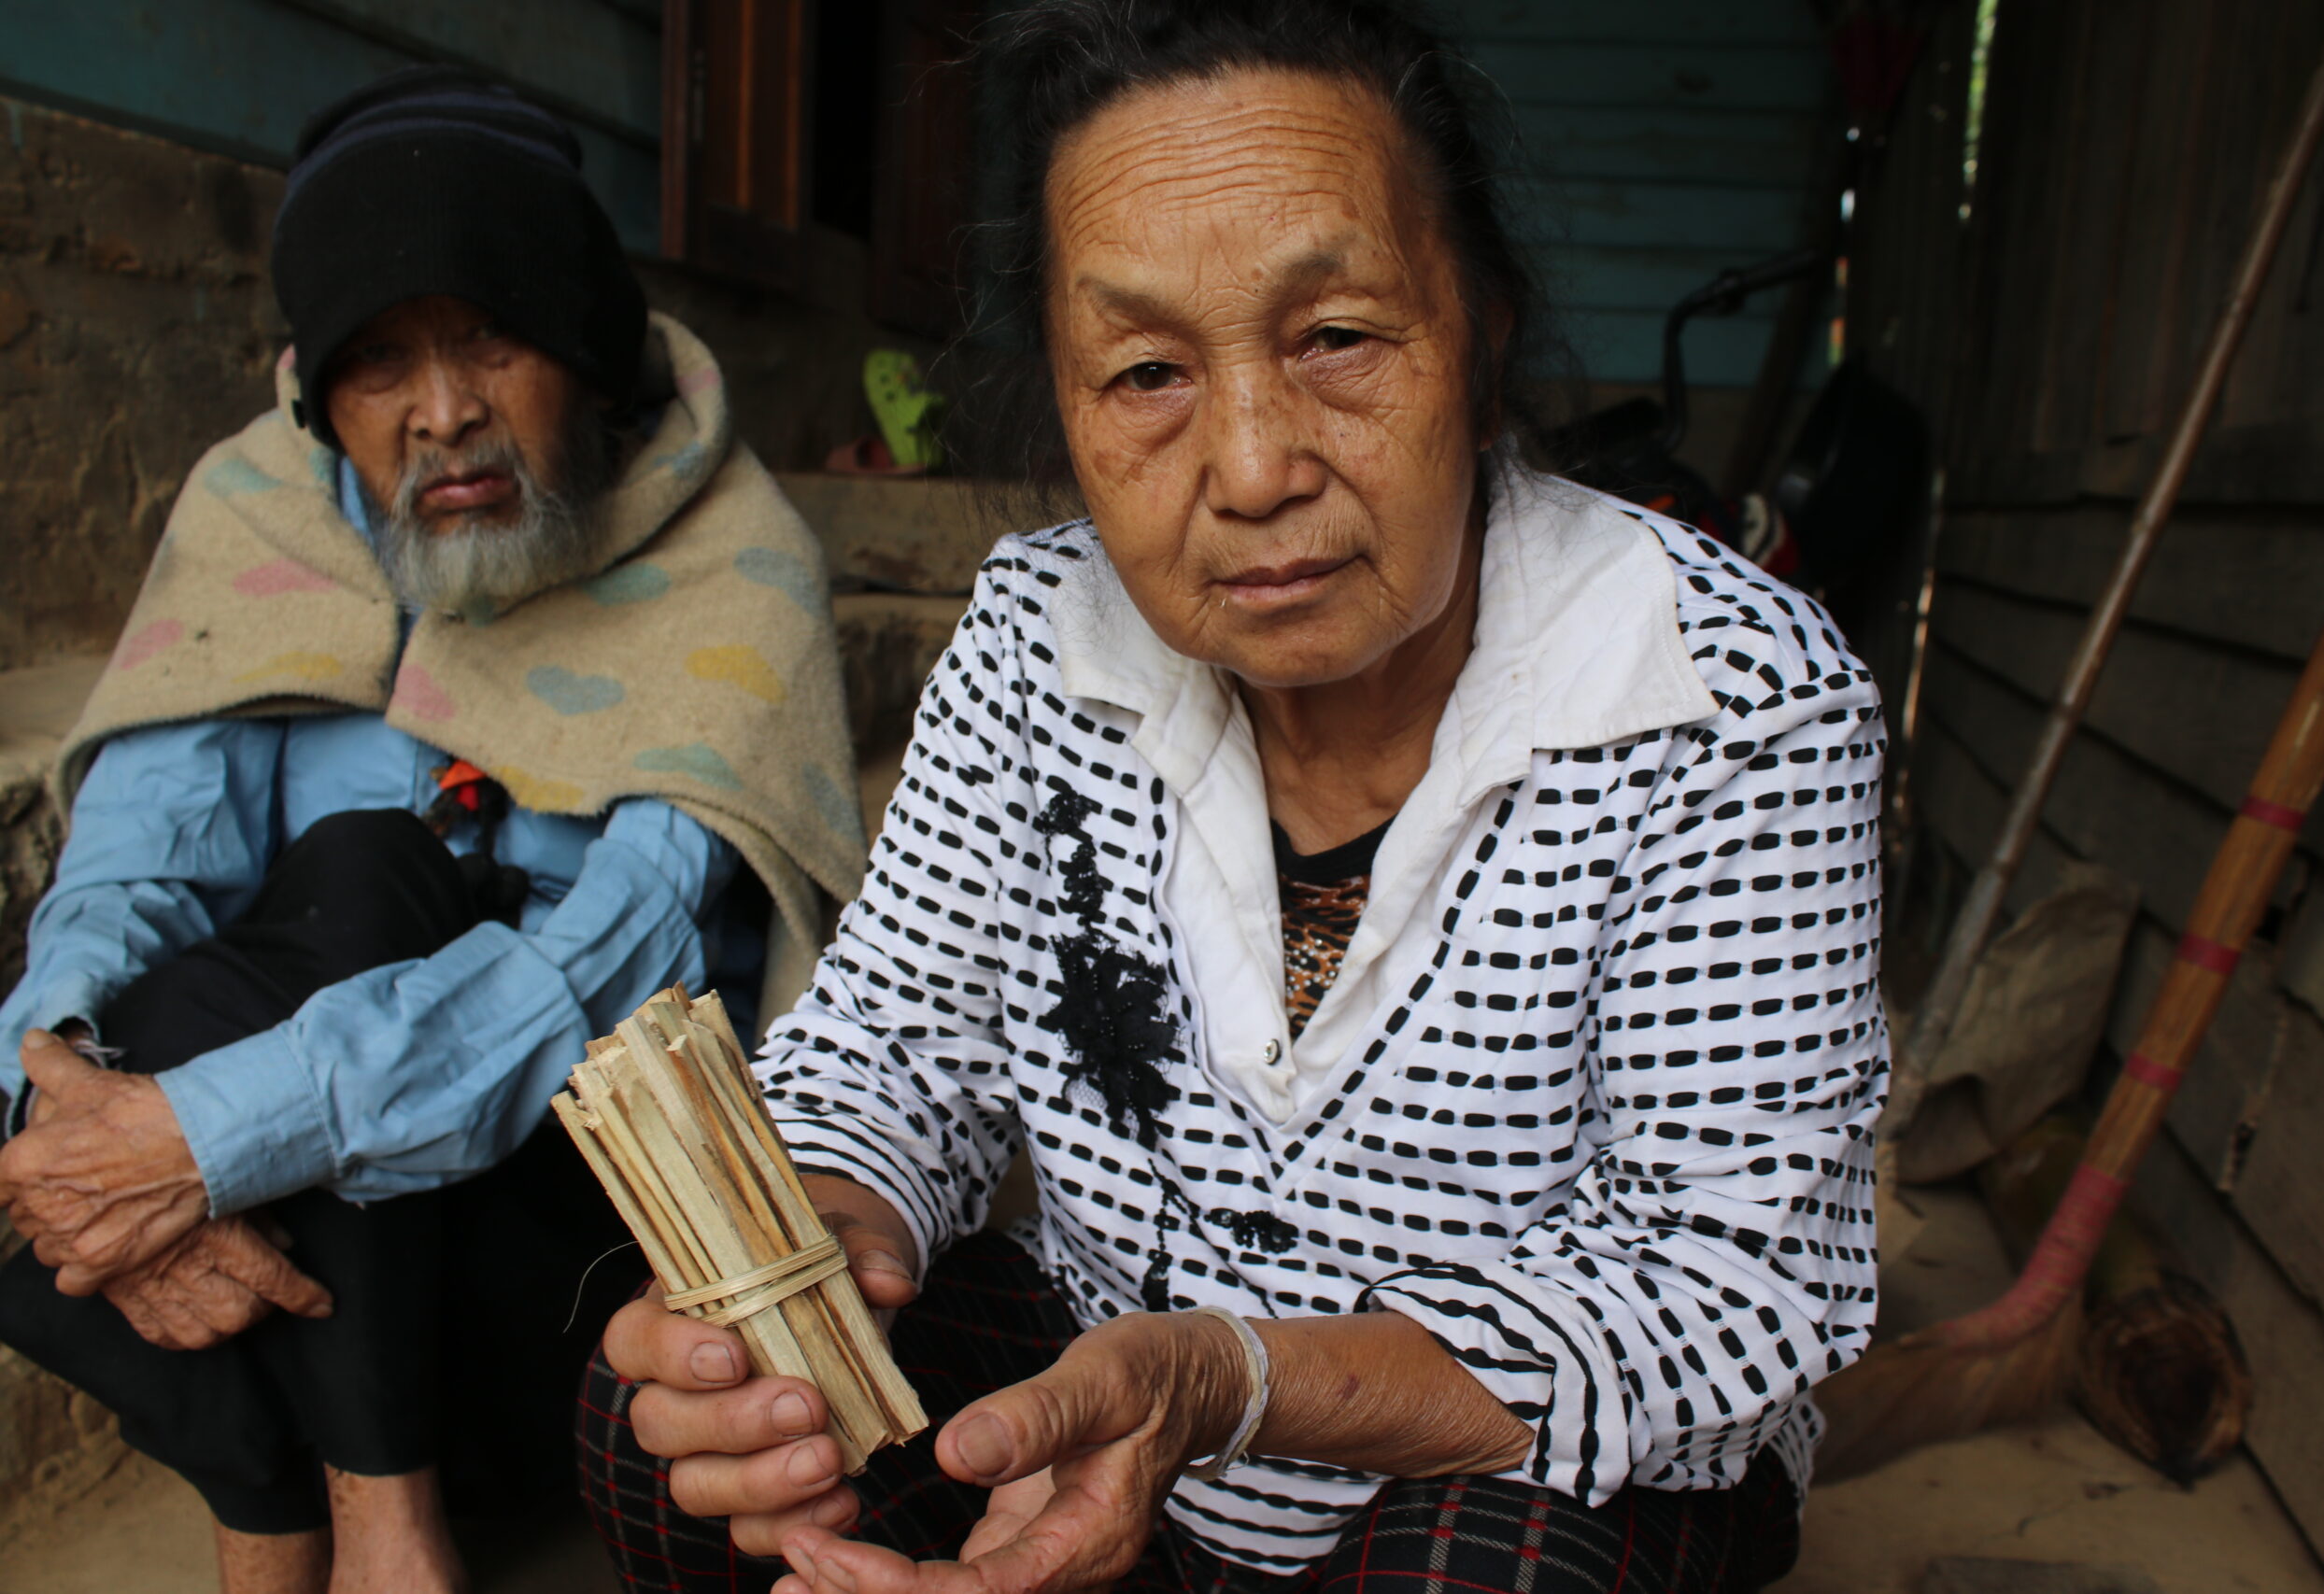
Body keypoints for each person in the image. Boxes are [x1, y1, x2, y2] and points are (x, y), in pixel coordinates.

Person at [585, 4, 1886, 1592]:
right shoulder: (1042, 638)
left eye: (1338, 338)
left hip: (1499, 1467)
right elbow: (894, 1051)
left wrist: (1231, 1378)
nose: (1257, 468)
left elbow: (1729, 1282)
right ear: (1066, 406)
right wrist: (799, 1258)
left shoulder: (1719, 695)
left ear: (1480, 341)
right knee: (673, 1436)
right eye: (1145, 372)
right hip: (1102, 1398)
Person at [0, 68, 862, 1594]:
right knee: (90, 1044)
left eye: (495, 339)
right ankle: (285, 1507)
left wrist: (208, 1137)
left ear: (589, 352)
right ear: (315, 393)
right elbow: (135, 868)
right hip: (309, 1266)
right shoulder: (260, 516)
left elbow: (600, 987)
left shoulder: (733, 565)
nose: (444, 410)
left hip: (572, 1259)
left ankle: (375, 1525)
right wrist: (66, 1097)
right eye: (380, 359)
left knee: (366, 880)